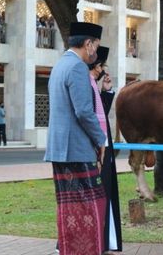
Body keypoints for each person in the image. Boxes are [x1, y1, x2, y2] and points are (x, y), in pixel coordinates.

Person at [44, 22, 107, 255]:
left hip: (61, 149)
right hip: (77, 149)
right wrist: (100, 140)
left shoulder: (60, 65)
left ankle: (68, 250)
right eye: (96, 46)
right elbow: (83, 111)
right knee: (90, 208)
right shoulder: (78, 68)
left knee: (69, 208)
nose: (96, 52)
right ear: (88, 43)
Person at [88, 46, 122, 253]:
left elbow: (98, 112)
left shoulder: (93, 84)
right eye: (100, 66)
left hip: (102, 146)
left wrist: (106, 92)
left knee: (104, 193)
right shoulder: (84, 82)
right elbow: (87, 116)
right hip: (95, 149)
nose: (101, 70)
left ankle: (103, 240)